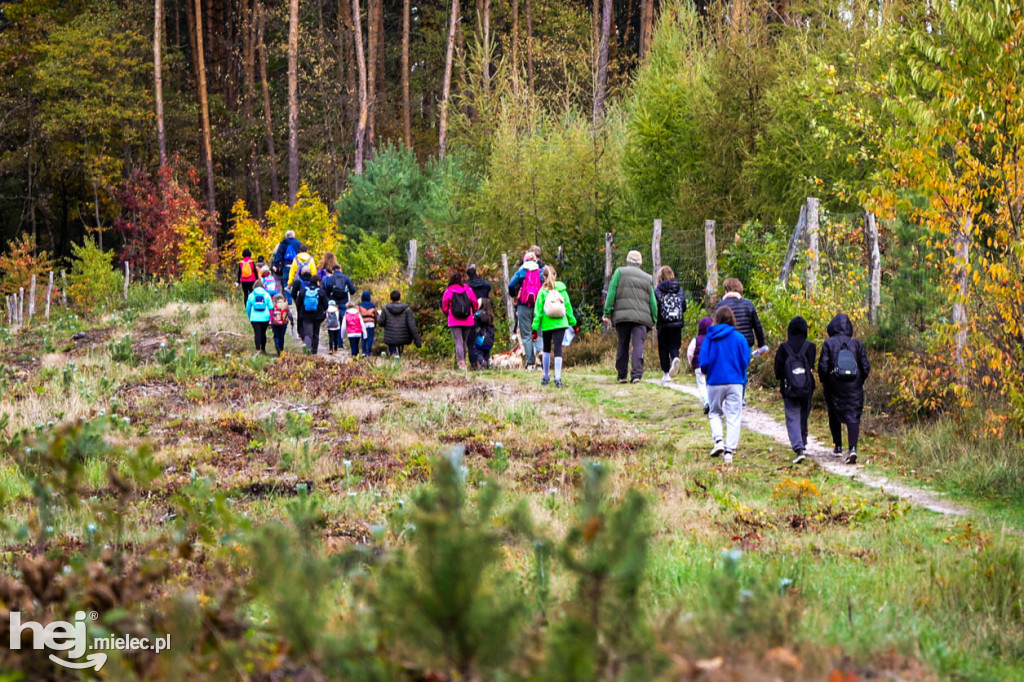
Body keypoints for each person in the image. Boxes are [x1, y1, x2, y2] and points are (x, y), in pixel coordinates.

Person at [699, 307, 751, 465]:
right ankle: (729, 451)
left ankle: (718, 441)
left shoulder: (710, 338)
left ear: (717, 319)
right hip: (735, 381)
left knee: (714, 412)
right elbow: (745, 361)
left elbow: (704, 362)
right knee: (734, 415)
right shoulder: (740, 338)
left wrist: (708, 372)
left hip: (715, 381)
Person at [818, 313, 870, 464]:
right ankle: (852, 448)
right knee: (853, 415)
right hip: (854, 386)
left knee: (834, 413)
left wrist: (825, 381)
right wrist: (859, 381)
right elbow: (865, 366)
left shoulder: (828, 343)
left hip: (834, 385)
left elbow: (823, 366)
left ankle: (838, 446)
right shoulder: (857, 344)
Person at [603, 250, 658, 384]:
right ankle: (636, 375)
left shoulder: (619, 272)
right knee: (638, 345)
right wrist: (654, 319)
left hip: (622, 316)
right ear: (640, 263)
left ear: (627, 260)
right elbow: (652, 301)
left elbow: (611, 293)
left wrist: (607, 313)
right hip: (641, 318)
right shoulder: (647, 277)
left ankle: (622, 375)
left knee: (623, 343)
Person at [775, 316, 817, 464]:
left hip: (789, 388)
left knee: (792, 415)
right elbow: (811, 365)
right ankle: (803, 440)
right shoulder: (810, 347)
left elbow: (778, 372)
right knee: (803, 414)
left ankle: (798, 447)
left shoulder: (783, 347)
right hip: (806, 387)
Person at [532, 265, 577, 388]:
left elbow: (538, 311)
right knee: (558, 349)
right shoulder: (562, 290)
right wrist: (573, 322)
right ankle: (558, 378)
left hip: (547, 324)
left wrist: (535, 328)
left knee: (546, 348)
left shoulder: (542, 292)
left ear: (544, 277)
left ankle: (546, 376)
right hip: (561, 323)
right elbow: (568, 307)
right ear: (555, 276)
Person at [508, 251, 544, 371]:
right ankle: (540, 352)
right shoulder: (540, 272)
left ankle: (530, 363)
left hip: (523, 305)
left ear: (524, 261)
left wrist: (514, 295)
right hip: (538, 305)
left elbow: (511, 285)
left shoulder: (521, 271)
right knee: (538, 331)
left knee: (526, 334)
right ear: (535, 260)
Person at [715, 278, 767, 355]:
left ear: (726, 289)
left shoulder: (720, 305)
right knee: (743, 366)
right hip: (746, 343)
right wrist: (761, 344)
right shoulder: (748, 304)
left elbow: (715, 326)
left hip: (726, 344)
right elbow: (757, 326)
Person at [654, 265, 687, 384]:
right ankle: (675, 357)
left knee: (663, 348)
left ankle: (666, 373)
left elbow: (655, 307)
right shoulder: (679, 289)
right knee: (674, 345)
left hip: (663, 324)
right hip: (677, 324)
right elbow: (683, 307)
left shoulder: (657, 291)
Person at [442, 272, 480, 370]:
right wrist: (473, 311)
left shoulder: (448, 291)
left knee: (458, 341)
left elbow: (444, 306)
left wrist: (448, 315)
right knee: (464, 341)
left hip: (454, 320)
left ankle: (461, 363)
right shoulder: (468, 290)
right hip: (467, 319)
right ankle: (464, 362)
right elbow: (475, 302)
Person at [379, 290, 422, 358]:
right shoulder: (407, 310)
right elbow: (412, 326)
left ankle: (394, 363)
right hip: (403, 337)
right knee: (400, 355)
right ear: (400, 298)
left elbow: (381, 323)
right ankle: (399, 362)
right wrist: (418, 342)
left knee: (393, 355)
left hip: (391, 337)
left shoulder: (385, 309)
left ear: (390, 298)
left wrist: (379, 317)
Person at [292, 271, 327, 354]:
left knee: (308, 334)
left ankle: (308, 351)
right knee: (315, 334)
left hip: (306, 316)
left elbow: (298, 303)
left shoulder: (303, 291)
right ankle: (314, 352)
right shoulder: (321, 291)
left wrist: (301, 311)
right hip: (317, 316)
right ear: (318, 282)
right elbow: (326, 305)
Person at [686, 316, 713, 414]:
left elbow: (689, 352)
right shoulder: (713, 339)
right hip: (711, 367)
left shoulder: (696, 340)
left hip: (698, 367)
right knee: (710, 385)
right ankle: (713, 402)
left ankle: (706, 402)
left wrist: (691, 363)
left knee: (702, 385)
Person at [271, 230, 302, 303]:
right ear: (293, 235)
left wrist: (275, 264)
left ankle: (289, 300)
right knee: (295, 282)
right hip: (295, 266)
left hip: (286, 266)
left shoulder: (283, 243)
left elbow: (279, 254)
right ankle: (295, 298)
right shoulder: (298, 243)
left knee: (286, 282)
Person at [245, 278, 273, 353]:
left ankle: (258, 350)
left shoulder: (251, 295)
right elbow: (271, 307)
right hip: (265, 318)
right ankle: (263, 349)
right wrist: (270, 319)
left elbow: (248, 308)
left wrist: (249, 316)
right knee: (263, 333)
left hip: (254, 318)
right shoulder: (266, 294)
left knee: (257, 333)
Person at [473, 298, 496, 370]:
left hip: (480, 338)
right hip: (490, 338)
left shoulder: (478, 315)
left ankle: (482, 362)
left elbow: (474, 325)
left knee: (478, 352)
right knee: (487, 353)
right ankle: (487, 366)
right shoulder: (491, 316)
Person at [358, 291, 378, 357]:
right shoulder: (373, 306)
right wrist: (375, 323)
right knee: (370, 338)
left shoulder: (359, 306)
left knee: (364, 338)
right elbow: (375, 315)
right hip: (371, 323)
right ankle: (368, 352)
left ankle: (363, 351)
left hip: (363, 323)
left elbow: (358, 315)